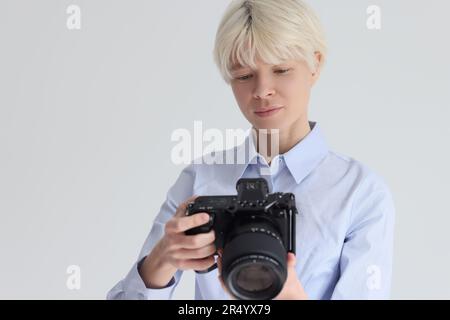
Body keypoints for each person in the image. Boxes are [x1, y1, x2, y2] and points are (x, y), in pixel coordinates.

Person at [107, 0, 395, 300]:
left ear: (315, 65)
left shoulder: (360, 193)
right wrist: (161, 260)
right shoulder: (199, 181)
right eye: (244, 76)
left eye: (281, 70)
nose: (261, 90)